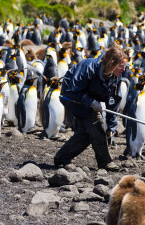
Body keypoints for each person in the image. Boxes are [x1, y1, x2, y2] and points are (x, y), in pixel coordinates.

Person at [54, 43, 128, 171]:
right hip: (71, 98)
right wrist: (91, 102)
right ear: (111, 63)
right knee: (96, 124)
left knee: (87, 132)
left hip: (86, 99)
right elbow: (73, 90)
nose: (124, 70)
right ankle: (105, 162)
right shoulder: (89, 67)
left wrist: (112, 126)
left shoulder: (114, 77)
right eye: (121, 66)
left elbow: (112, 103)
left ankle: (62, 158)